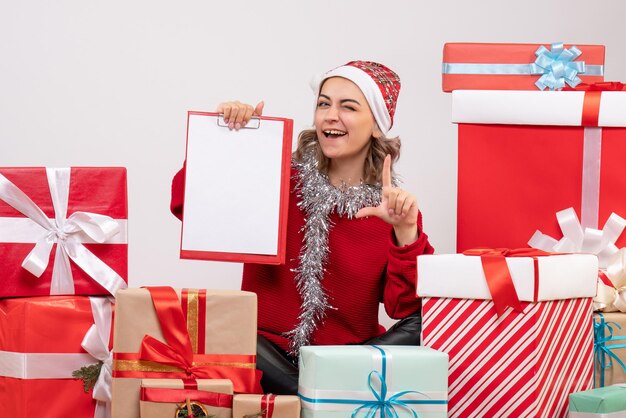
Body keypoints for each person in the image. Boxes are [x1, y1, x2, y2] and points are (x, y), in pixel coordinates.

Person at [170, 60, 434, 394]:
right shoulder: (278, 177)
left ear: (377, 126)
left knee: (429, 321)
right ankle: (319, 393)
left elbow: (404, 308)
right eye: (324, 104)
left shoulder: (393, 209)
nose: (330, 115)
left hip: (344, 360)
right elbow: (190, 207)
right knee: (227, 333)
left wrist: (406, 232)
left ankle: (321, 389)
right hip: (263, 356)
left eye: (348, 107)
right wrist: (231, 143)